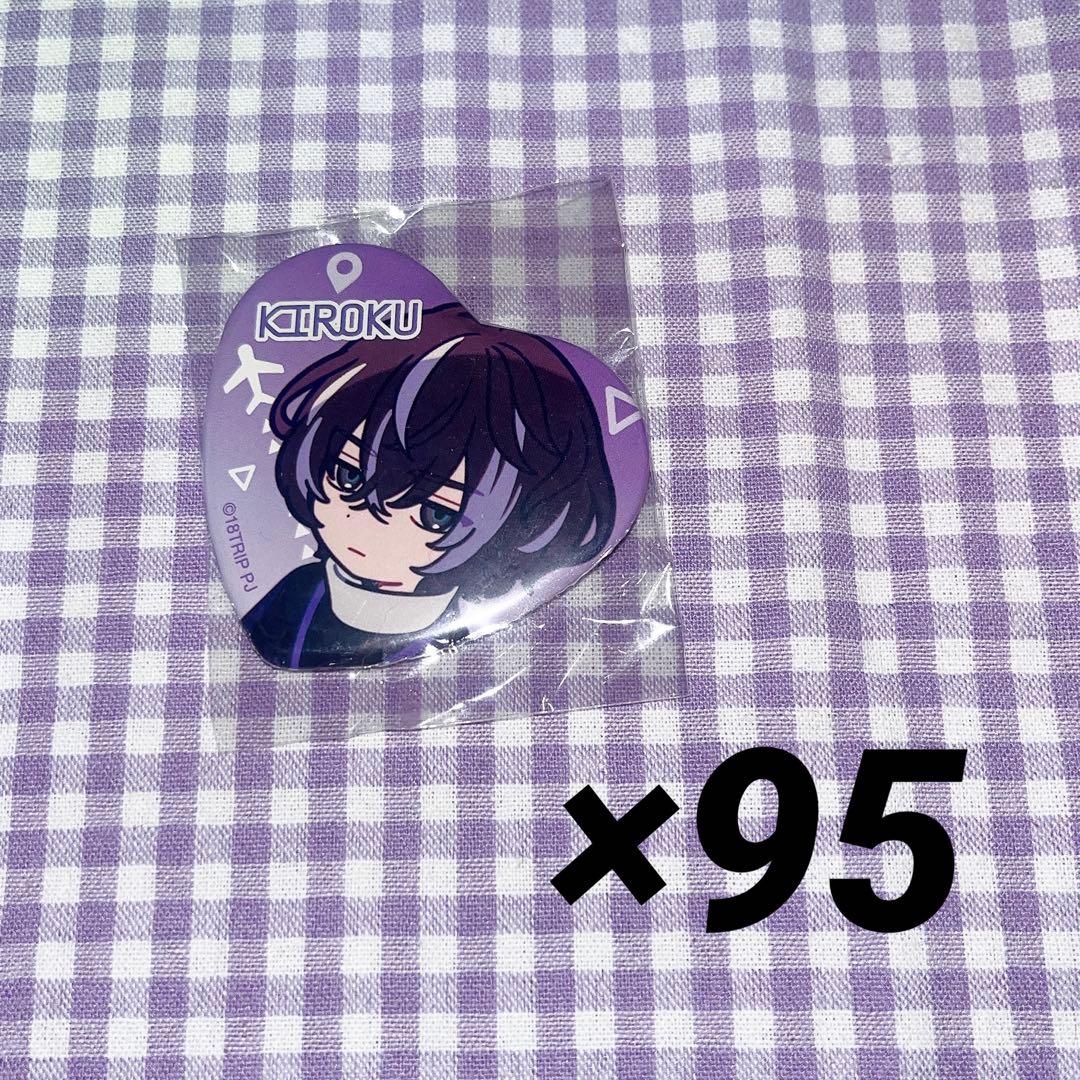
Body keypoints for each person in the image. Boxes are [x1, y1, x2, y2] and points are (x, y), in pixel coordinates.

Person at [242, 302, 617, 669]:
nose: (368, 521)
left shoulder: (469, 624)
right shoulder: (294, 597)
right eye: (349, 476)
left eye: (435, 514)